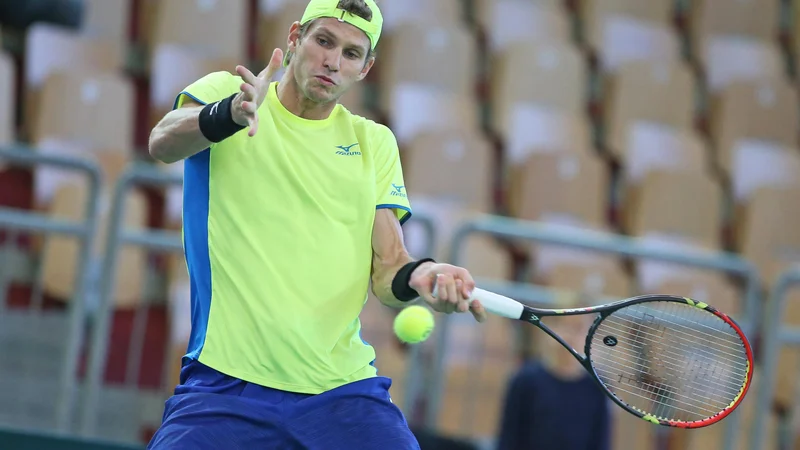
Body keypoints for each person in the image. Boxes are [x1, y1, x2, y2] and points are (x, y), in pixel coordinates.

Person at [145, 0, 487, 449]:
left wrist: (422, 276)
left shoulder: (375, 143)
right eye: (323, 41)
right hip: (226, 384)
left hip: (340, 393)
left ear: (365, 69)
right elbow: (163, 143)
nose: (332, 60)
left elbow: (389, 268)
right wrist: (226, 113)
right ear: (294, 39)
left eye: (350, 53)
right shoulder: (232, 90)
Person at [496, 312, 612, 450]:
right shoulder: (525, 379)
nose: (570, 336)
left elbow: (600, 441)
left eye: (579, 328)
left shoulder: (597, 387)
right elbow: (508, 437)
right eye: (565, 326)